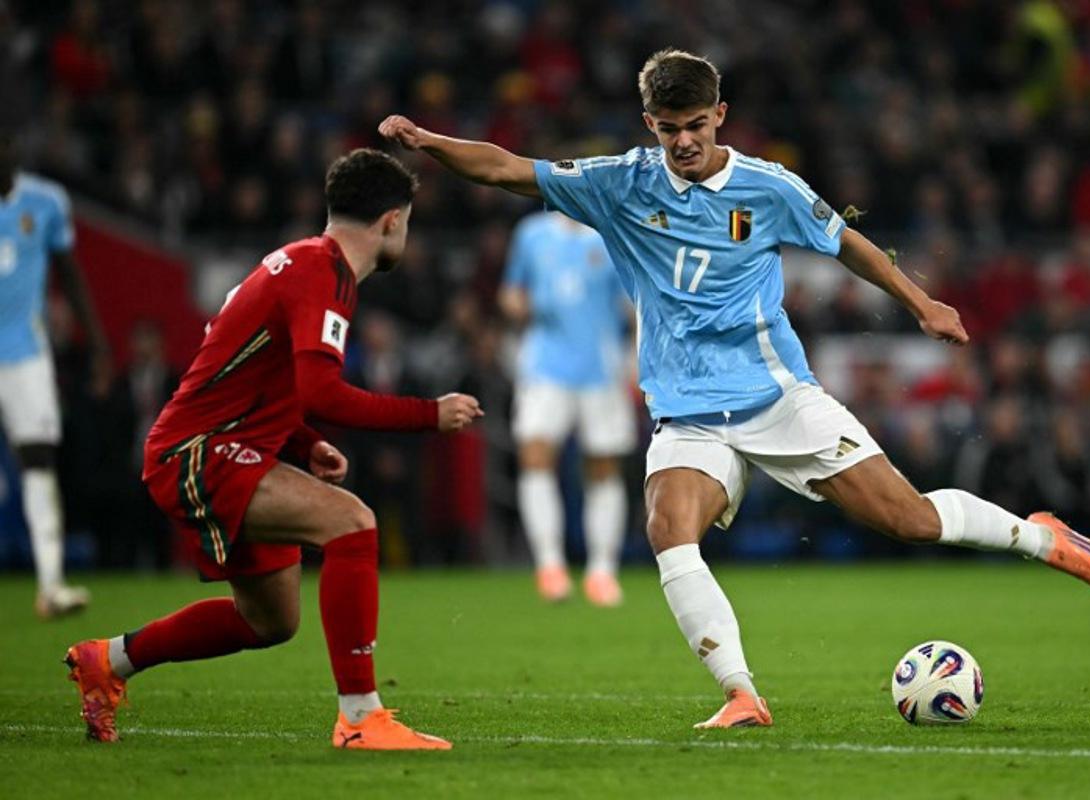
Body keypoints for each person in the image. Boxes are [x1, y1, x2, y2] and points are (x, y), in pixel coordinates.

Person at [379, 48, 1090, 730]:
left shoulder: (768, 188)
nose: (683, 141)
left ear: (721, 117)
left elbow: (848, 243)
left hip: (779, 401)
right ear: (651, 123)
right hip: (688, 418)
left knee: (911, 522)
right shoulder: (618, 185)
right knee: (669, 530)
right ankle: (742, 692)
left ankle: (1043, 536)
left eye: (697, 125)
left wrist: (922, 304)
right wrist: (431, 144)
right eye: (669, 127)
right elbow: (510, 168)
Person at [64, 148, 483, 750]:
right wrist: (428, 414)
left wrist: (303, 442)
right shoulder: (325, 272)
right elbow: (321, 390)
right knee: (354, 524)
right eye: (408, 223)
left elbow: (244, 363)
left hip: (221, 446)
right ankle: (361, 718)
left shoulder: (295, 261)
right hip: (200, 451)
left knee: (268, 620)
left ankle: (107, 661)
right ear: (392, 220)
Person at [499, 210, 634, 606]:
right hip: (544, 365)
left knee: (603, 466)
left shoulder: (612, 233)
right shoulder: (532, 233)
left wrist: (639, 362)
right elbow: (511, 290)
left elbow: (633, 304)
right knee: (536, 456)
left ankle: (602, 572)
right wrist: (516, 307)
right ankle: (550, 565)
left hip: (601, 367)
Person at [0, 127, 108, 619]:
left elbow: (70, 273)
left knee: (38, 458)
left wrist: (99, 345)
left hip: (25, 353)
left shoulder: (45, 202)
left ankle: (51, 584)